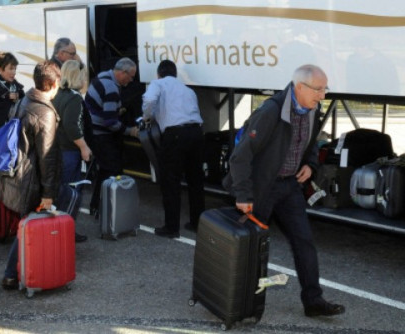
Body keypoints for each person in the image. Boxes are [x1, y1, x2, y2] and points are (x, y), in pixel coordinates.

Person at [227, 64, 345, 317]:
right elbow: (240, 156)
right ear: (299, 87)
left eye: (325, 89)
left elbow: (311, 144)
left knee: (304, 242)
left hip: (290, 186)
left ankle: (313, 301)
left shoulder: (313, 109)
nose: (323, 95)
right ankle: (243, 302)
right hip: (262, 188)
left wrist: (310, 166)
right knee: (252, 247)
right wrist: (244, 195)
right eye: (319, 89)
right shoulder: (271, 111)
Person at [0, 60, 62, 290]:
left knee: (26, 227)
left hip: (16, 175)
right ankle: (13, 273)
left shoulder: (25, 100)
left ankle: (18, 273)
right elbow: (47, 157)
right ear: (53, 84)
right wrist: (48, 193)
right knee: (29, 227)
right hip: (30, 181)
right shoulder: (46, 113)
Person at [141, 59, 205, 238]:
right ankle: (196, 223)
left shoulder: (158, 83)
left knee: (170, 181)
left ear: (159, 73)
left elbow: (149, 99)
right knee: (195, 181)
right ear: (175, 74)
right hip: (196, 133)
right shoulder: (188, 89)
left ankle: (171, 228)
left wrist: (147, 116)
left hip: (175, 135)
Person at [84, 57, 139, 216]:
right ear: (123, 73)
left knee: (105, 170)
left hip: (92, 131)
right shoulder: (111, 87)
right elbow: (110, 122)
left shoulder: (103, 77)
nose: (131, 80)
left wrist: (116, 109)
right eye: (131, 76)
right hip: (100, 134)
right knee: (113, 170)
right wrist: (130, 131)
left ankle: (97, 206)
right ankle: (106, 209)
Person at [52, 59, 91, 243]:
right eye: (83, 77)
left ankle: (58, 228)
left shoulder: (59, 94)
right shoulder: (75, 98)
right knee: (72, 191)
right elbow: (72, 126)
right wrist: (84, 147)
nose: (85, 80)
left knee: (61, 192)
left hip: (58, 150)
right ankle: (66, 230)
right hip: (70, 152)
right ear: (78, 77)